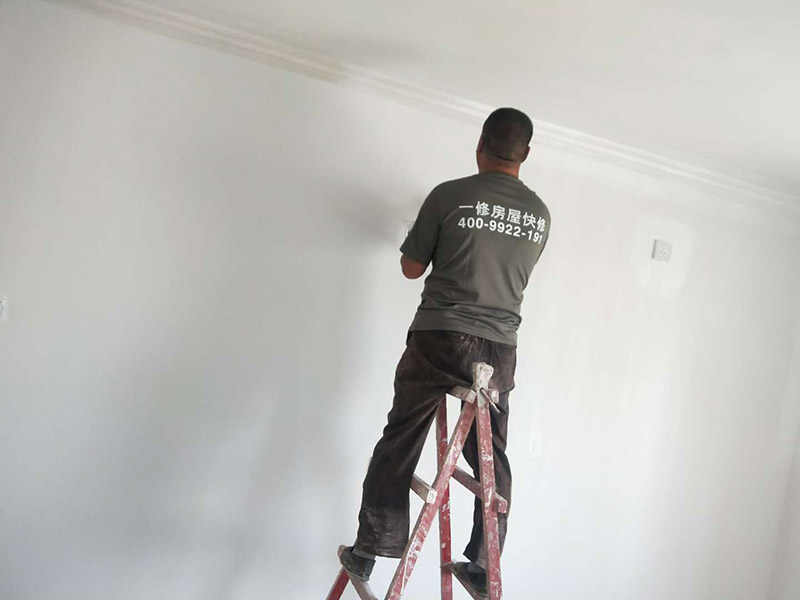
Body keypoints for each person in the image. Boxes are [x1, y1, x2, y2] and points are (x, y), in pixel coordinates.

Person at [339, 107, 550, 597]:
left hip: (440, 336)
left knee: (401, 437)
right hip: (499, 351)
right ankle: (483, 564)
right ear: (526, 153)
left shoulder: (449, 195)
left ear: (481, 144)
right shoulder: (539, 214)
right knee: (491, 455)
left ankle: (371, 548)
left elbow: (411, 268)